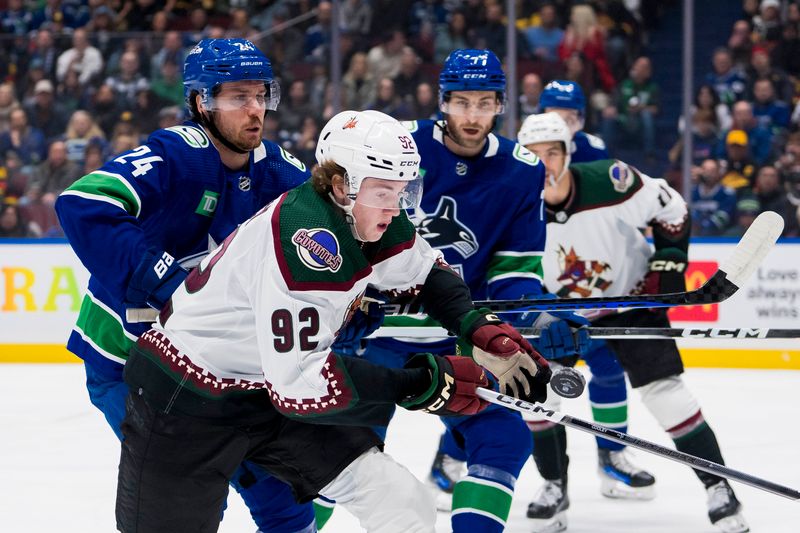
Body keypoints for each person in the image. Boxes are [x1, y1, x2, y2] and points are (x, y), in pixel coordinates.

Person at [115, 108, 551, 532]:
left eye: (404, 191)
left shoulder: (370, 212)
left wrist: (476, 327)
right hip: (184, 402)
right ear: (340, 184)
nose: (395, 207)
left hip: (266, 388)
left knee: (401, 502)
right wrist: (420, 383)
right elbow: (302, 382)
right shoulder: (309, 241)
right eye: (384, 191)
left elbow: (422, 272)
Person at [55, 38, 320, 533]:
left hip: (219, 365)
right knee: (188, 496)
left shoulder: (280, 172)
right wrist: (169, 283)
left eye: (261, 95)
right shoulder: (178, 154)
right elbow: (82, 202)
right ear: (202, 101)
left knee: (283, 495)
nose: (255, 109)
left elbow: (328, 255)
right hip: (132, 363)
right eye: (239, 97)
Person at [348, 50, 587, 533]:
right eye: (461, 103)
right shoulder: (397, 146)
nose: (472, 116)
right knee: (337, 449)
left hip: (457, 336)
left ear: (501, 105)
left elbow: (513, 274)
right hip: (372, 336)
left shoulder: (522, 171)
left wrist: (539, 319)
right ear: (442, 102)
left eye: (484, 103)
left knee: (503, 438)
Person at [517, 112, 749, 533]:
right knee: (539, 399)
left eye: (553, 152)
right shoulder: (512, 201)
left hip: (633, 299)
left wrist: (670, 260)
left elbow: (673, 210)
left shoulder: (612, 180)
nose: (545, 164)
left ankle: (719, 488)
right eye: (533, 155)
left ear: (568, 154)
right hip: (559, 314)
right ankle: (554, 486)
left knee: (667, 395)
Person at [528, 83, 659, 524]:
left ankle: (613, 457)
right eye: (553, 111)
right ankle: (548, 480)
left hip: (588, 290)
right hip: (542, 294)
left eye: (569, 113)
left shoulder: (594, 156)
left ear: (581, 119)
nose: (561, 119)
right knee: (532, 386)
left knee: (606, 369)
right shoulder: (523, 155)